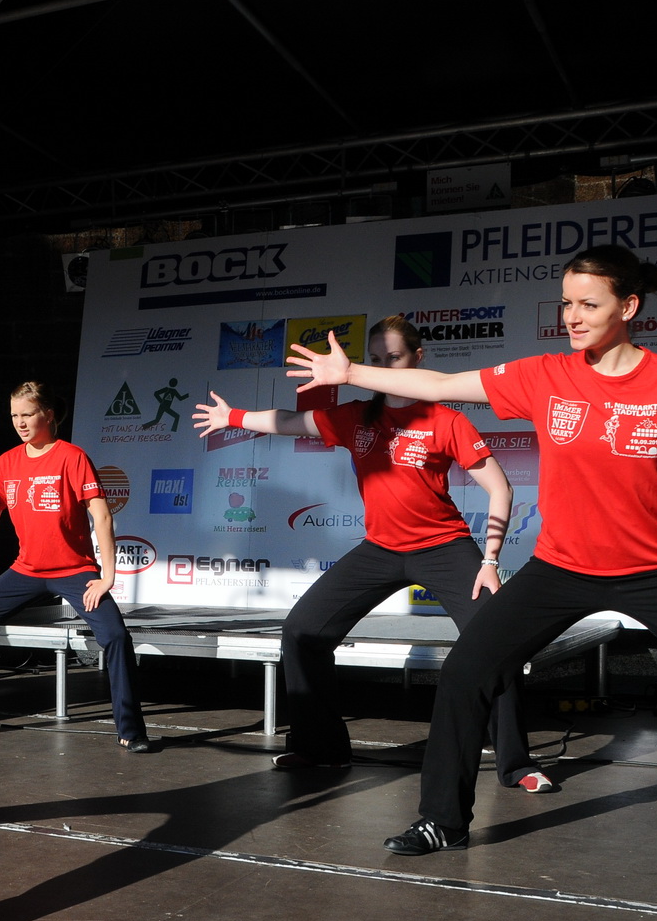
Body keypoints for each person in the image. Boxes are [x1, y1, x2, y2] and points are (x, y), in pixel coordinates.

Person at [287, 245, 657, 899]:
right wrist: (351, 369)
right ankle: (441, 820)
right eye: (565, 303)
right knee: (466, 670)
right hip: (559, 568)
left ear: (627, 306)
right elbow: (441, 386)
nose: (572, 316)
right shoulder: (545, 374)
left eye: (588, 303)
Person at [193, 316, 551, 790]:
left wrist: (489, 560)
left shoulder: (447, 420)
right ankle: (321, 748)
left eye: (394, 359)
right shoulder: (357, 415)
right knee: (303, 632)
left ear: (417, 360)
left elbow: (500, 488)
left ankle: (516, 764)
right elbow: (289, 422)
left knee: (494, 642)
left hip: (444, 547)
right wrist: (232, 417)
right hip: (381, 549)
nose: (383, 368)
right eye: (376, 360)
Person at [0, 382, 156, 752]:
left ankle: (131, 731)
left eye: (27, 414)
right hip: (26, 570)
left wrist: (108, 576)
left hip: (75, 571)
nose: (20, 422)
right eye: (14, 416)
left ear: (48, 415)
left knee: (117, 638)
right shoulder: (5, 463)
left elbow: (102, 517)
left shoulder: (72, 457)